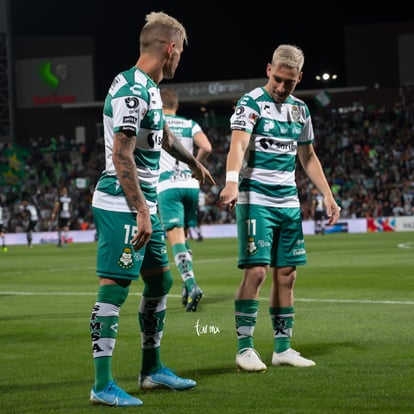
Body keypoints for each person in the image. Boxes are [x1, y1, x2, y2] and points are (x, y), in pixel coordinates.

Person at [89, 11, 215, 407]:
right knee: (115, 287)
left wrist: (191, 160)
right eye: (180, 54)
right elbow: (121, 153)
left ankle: (151, 370)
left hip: (146, 201)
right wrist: (142, 210)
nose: (180, 61)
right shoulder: (132, 89)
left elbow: (160, 136)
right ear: (170, 49)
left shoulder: (150, 89)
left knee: (160, 282)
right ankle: (102, 384)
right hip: (123, 201)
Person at [219, 44, 341, 372]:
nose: (281, 86)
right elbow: (238, 144)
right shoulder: (250, 103)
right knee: (257, 271)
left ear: (299, 78)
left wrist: (327, 195)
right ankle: (245, 348)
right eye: (278, 78)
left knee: (287, 274)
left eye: (290, 81)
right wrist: (231, 180)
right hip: (255, 198)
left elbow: (308, 156)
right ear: (268, 69)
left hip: (288, 200)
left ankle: (282, 348)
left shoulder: (300, 111)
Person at [157, 87, 212, 311]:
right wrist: (195, 166)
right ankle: (186, 286)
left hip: (167, 185)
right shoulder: (190, 124)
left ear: (159, 106)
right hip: (190, 185)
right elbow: (206, 147)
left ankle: (192, 284)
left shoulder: (157, 121)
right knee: (184, 237)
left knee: (175, 238)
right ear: (176, 106)